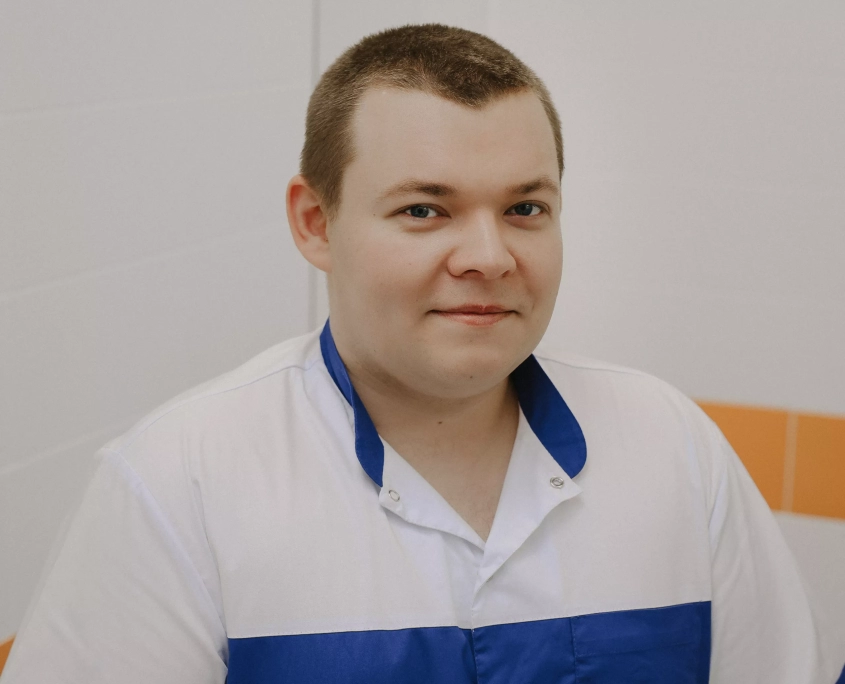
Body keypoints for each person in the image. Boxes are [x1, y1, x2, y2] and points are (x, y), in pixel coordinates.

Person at [2, 23, 836, 684]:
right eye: (423, 211)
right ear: (316, 223)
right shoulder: (178, 484)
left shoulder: (669, 445)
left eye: (524, 209)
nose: (489, 257)